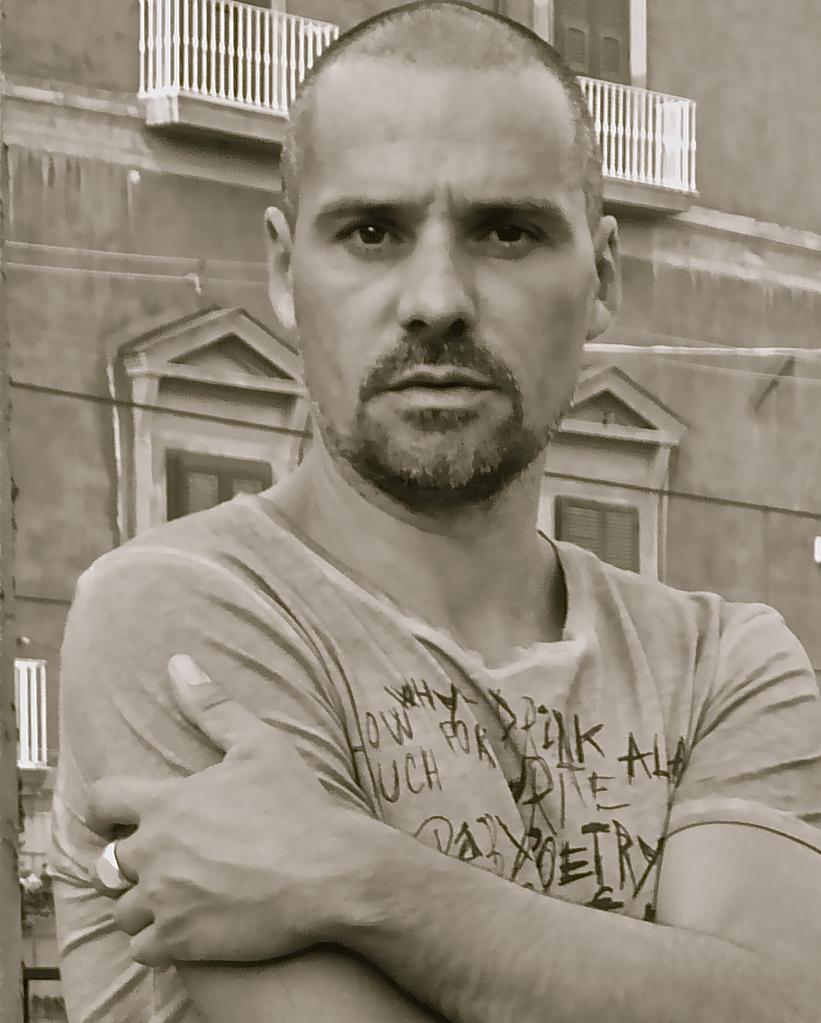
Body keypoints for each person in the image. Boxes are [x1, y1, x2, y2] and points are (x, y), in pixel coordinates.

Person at [50, 2, 821, 1022]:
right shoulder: (175, 616)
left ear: (602, 275)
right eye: (371, 232)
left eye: (506, 232)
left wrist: (357, 876)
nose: (436, 300)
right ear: (283, 270)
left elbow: (781, 1002)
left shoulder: (725, 663)